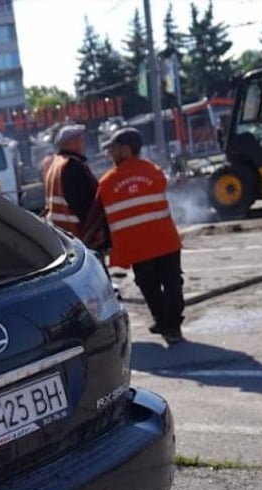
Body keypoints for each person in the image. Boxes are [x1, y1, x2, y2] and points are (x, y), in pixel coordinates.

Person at [82, 128, 185, 344]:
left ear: (126, 150)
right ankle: (173, 326)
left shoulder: (108, 181)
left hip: (138, 246)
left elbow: (95, 215)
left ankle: (163, 323)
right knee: (173, 283)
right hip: (166, 240)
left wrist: (85, 239)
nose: (111, 154)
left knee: (150, 287)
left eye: (114, 149)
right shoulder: (155, 171)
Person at [42, 124, 97, 241]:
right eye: (80, 140)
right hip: (77, 235)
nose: (83, 144)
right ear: (72, 142)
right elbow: (85, 204)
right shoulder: (72, 165)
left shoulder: (55, 164)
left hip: (61, 234)